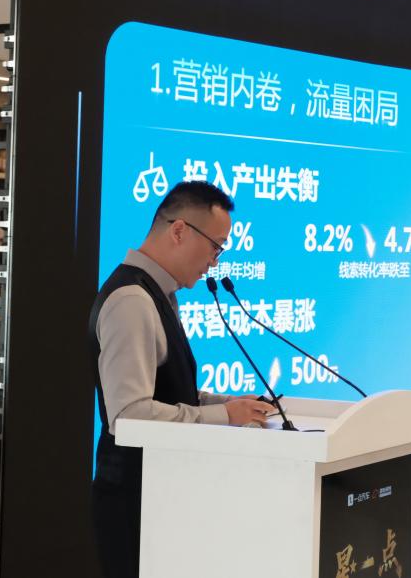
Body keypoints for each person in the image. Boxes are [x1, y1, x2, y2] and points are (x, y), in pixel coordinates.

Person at [88, 181, 275, 578]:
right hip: (135, 500)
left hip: (161, 492)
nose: (214, 262)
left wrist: (227, 404)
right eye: (215, 247)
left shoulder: (158, 294)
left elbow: (165, 390)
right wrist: (225, 417)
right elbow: (130, 416)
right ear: (179, 231)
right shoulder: (132, 300)